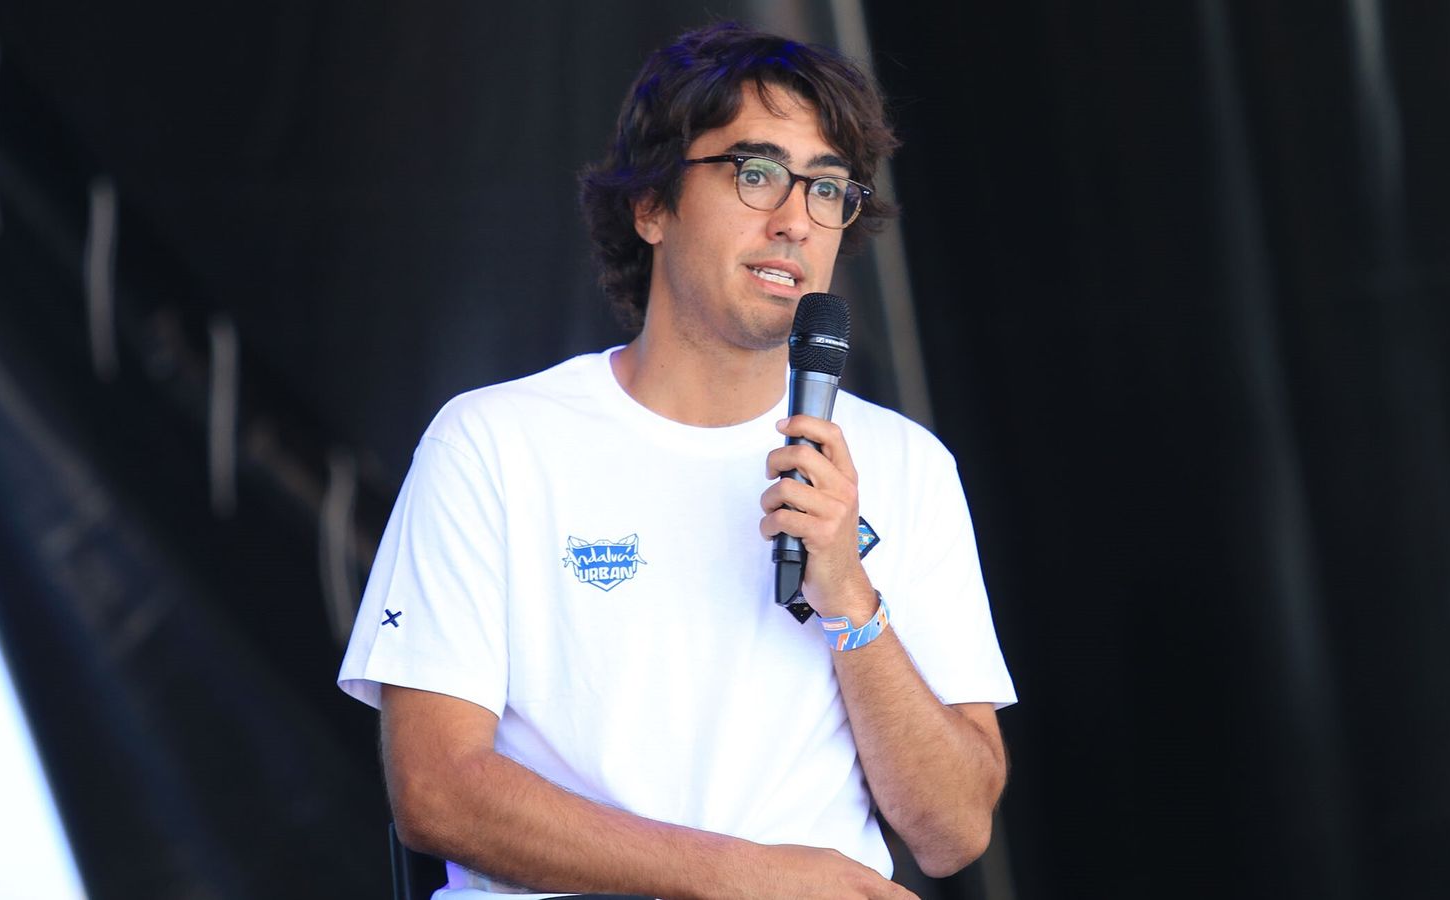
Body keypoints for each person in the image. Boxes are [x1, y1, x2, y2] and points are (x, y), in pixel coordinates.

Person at [338, 20, 1016, 900]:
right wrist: (741, 879)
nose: (793, 221)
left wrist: (849, 595)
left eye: (827, 189)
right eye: (757, 172)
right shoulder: (495, 442)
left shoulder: (906, 465)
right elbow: (435, 792)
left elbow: (954, 829)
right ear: (650, 206)